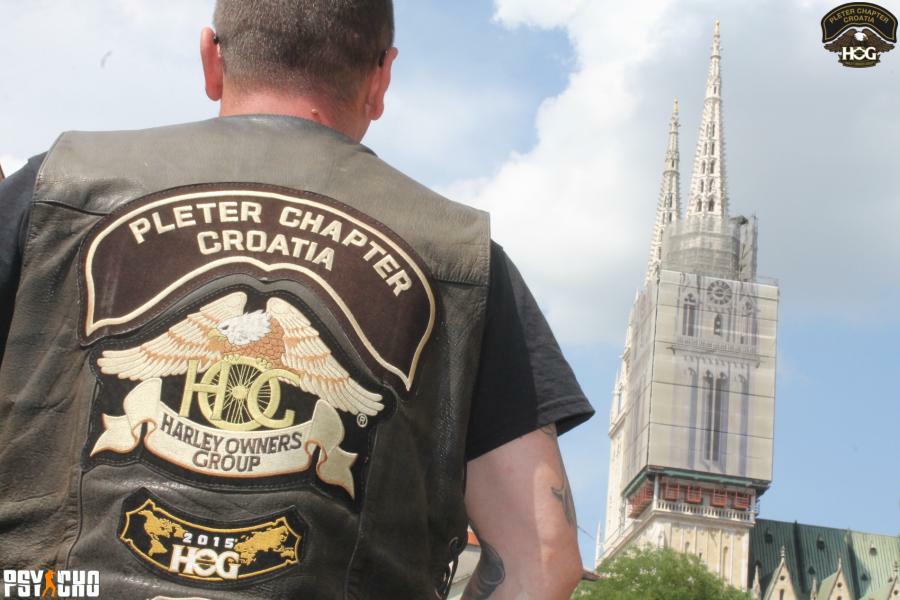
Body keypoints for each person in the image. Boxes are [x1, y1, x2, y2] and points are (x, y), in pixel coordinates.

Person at [0, 2, 593, 598]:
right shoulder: (465, 261)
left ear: (211, 60)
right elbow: (541, 560)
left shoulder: (55, 188)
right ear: (381, 79)